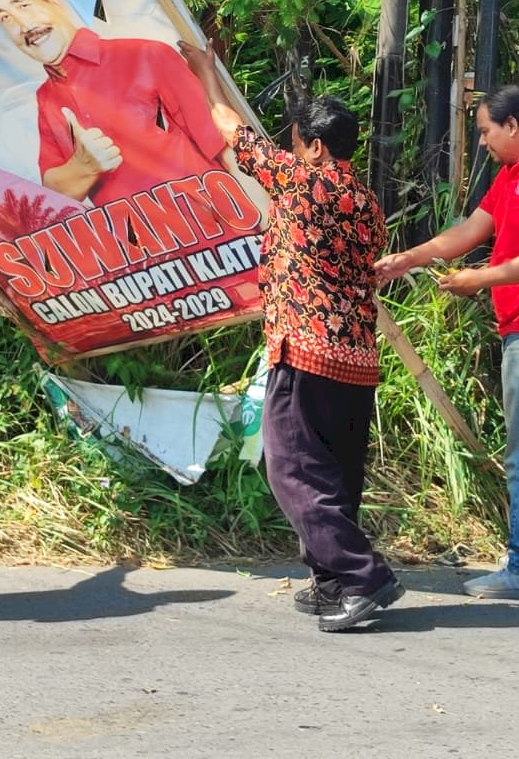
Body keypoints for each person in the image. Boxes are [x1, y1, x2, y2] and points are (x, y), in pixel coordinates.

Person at [182, 43, 400, 633]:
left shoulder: (304, 183)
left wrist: (205, 72)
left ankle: (362, 577)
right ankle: (330, 580)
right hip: (355, 358)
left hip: (304, 348)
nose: (292, 149)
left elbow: (231, 129)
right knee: (335, 470)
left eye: (297, 140)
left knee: (291, 467)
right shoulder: (367, 202)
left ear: (316, 147)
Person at [375, 85, 519, 600]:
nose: (483, 142)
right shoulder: (515, 175)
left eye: (486, 131)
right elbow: (471, 230)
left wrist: (480, 280)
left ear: (513, 125)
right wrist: (410, 257)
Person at [0, 0, 234, 204]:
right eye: (4, 17)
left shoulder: (147, 55)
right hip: (145, 250)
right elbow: (54, 192)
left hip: (219, 234)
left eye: (23, 4)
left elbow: (226, 149)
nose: (23, 25)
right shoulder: (46, 97)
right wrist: (82, 167)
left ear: (54, 2)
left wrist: (269, 225)